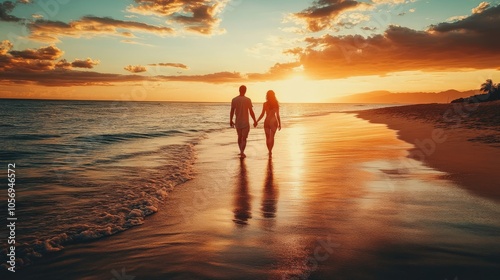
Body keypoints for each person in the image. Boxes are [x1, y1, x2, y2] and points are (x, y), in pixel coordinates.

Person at [230, 85, 257, 158]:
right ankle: (242, 151)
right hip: (245, 122)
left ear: (239, 90)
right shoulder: (248, 100)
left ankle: (241, 151)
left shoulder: (234, 99)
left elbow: (232, 111)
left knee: (239, 137)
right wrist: (255, 120)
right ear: (245, 91)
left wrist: (230, 120)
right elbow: (251, 111)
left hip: (238, 122)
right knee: (244, 138)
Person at [255, 90, 281, 156]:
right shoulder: (276, 104)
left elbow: (262, 114)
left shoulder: (265, 104)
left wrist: (257, 121)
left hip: (267, 122)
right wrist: (280, 124)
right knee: (272, 137)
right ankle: (270, 151)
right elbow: (278, 115)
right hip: (274, 122)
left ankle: (269, 150)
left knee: (267, 138)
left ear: (267, 95)